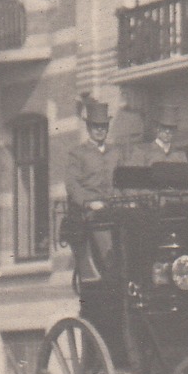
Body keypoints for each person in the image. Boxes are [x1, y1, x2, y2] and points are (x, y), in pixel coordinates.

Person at [65, 98, 123, 277]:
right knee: (109, 252)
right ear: (89, 127)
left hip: (116, 208)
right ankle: (112, 276)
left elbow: (124, 179)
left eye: (104, 126)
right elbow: (72, 185)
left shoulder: (116, 152)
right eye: (96, 126)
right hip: (93, 212)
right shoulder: (78, 153)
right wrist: (90, 203)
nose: (100, 130)